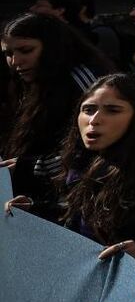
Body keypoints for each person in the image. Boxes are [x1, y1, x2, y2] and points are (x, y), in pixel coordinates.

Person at [5, 74, 135, 268]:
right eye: (88, 109)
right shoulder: (87, 157)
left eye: (112, 110)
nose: (94, 120)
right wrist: (37, 210)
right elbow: (81, 219)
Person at [1, 13, 111, 220]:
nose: (15, 61)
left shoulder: (84, 80)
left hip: (85, 199)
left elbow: (102, 145)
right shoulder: (37, 79)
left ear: (52, 47)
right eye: (8, 53)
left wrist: (31, 166)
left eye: (26, 50)